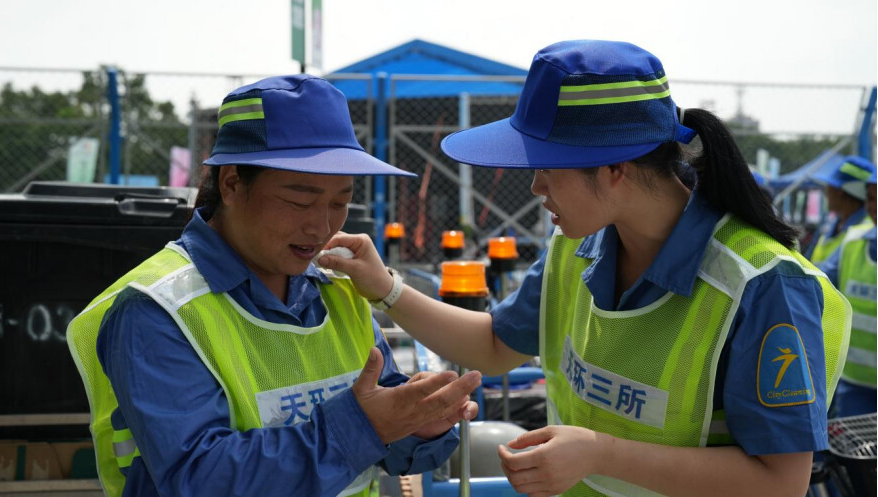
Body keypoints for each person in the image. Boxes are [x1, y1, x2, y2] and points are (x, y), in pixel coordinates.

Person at [319, 40, 851, 497]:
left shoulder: (760, 284)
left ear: (615, 167)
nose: (535, 188)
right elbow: (495, 347)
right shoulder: (578, 248)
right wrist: (385, 287)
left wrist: (600, 454)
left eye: (546, 168)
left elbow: (780, 482)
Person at [66, 75, 481, 497]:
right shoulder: (158, 311)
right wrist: (364, 426)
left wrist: (420, 425)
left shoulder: (338, 290)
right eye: (299, 201)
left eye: (340, 202)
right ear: (230, 184)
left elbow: (383, 427)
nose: (321, 226)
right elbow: (199, 479)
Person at [819, 157, 877, 417]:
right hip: (852, 379)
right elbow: (816, 282)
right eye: (871, 198)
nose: (873, 207)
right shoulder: (852, 241)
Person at [805, 156, 874, 264]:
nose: (826, 192)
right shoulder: (828, 224)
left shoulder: (868, 229)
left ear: (841, 192)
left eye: (830, 186)